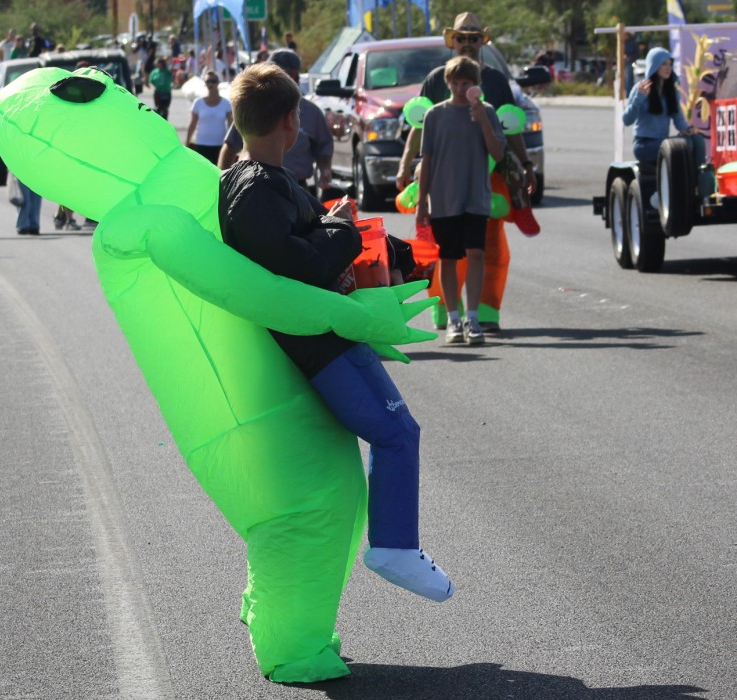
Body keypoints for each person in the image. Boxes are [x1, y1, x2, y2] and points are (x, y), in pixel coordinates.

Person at [219, 62, 454, 602]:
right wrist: (341, 229)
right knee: (397, 434)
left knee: (385, 443)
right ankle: (395, 546)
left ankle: (309, 590)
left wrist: (336, 222)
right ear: (291, 120)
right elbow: (293, 265)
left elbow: (290, 244)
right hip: (315, 342)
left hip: (319, 334)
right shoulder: (257, 186)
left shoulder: (250, 179)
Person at [397, 11, 539, 333]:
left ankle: (483, 313)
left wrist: (526, 166)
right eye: (462, 38)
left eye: (474, 38)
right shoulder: (436, 79)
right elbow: (420, 129)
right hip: (445, 180)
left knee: (487, 250)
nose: (467, 43)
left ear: (482, 42)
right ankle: (448, 313)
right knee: (444, 253)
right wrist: (407, 166)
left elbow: (510, 127)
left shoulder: (496, 82)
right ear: (453, 41)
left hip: (485, 180)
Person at [417, 55, 505, 346]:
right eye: (455, 82)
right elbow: (426, 160)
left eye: (465, 82)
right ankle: (454, 318)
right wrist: (421, 204)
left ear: (475, 85)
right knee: (449, 258)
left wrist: (481, 121)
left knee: (476, 254)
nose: (459, 87)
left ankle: (474, 318)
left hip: (476, 197)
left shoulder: (487, 112)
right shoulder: (435, 115)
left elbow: (498, 153)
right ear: (447, 83)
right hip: (443, 199)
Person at [218, 49, 333, 194]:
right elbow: (230, 146)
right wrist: (221, 183)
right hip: (254, 183)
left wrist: (325, 170)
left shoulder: (312, 112)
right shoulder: (256, 107)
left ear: (293, 75)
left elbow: (323, 146)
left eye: (276, 73)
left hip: (297, 187)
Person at [622, 47, 706, 176]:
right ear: (654, 66)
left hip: (663, 142)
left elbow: (678, 121)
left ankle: (698, 181)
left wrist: (688, 129)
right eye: (664, 64)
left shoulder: (671, 91)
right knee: (685, 144)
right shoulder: (641, 88)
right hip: (644, 145)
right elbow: (627, 120)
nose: (668, 68)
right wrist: (639, 98)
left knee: (696, 139)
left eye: (670, 64)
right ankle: (691, 181)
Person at [185, 70, 232, 164]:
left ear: (218, 83)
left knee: (218, 173)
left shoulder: (226, 104)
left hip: (220, 144)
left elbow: (231, 126)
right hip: (201, 143)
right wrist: (187, 142)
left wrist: (232, 145)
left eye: (213, 81)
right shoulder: (198, 103)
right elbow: (192, 124)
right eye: (208, 81)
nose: (210, 84)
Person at [149, 55, 173, 120]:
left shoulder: (167, 71)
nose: (156, 64)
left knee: (165, 108)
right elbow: (150, 82)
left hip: (166, 93)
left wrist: (169, 62)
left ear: (162, 64)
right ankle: (158, 121)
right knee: (158, 108)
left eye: (158, 63)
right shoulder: (154, 72)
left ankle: (165, 121)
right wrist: (153, 87)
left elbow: (171, 72)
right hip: (157, 93)